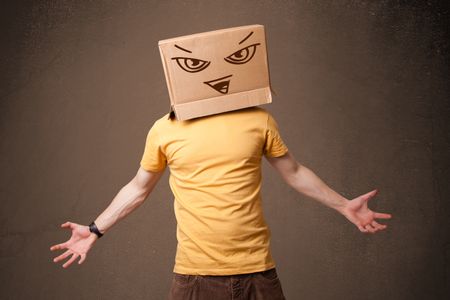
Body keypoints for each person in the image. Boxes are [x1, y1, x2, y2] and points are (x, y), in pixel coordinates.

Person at [50, 106, 392, 299]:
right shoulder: (164, 129)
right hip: (195, 277)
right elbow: (139, 187)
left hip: (258, 273)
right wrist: (95, 229)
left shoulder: (258, 120)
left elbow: (294, 172)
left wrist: (343, 205)